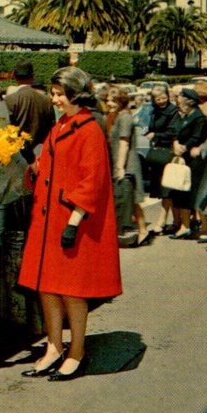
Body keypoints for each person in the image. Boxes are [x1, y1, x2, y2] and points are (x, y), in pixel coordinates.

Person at [17, 66, 121, 381]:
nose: (54, 99)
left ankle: (77, 351)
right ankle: (53, 347)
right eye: (53, 93)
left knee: (72, 291)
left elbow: (93, 181)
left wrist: (73, 223)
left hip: (69, 223)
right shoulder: (61, 125)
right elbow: (48, 167)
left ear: (76, 94)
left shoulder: (89, 129)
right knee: (46, 288)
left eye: (60, 94)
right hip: (47, 221)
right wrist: (30, 165)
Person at [106, 86, 151, 247]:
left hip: (127, 164)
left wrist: (119, 167)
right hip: (127, 164)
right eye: (107, 100)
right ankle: (143, 230)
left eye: (112, 100)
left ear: (120, 101)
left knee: (128, 199)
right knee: (134, 201)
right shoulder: (120, 116)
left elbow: (124, 143)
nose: (109, 103)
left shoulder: (124, 118)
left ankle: (140, 231)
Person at [167, 87, 207, 240]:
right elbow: (176, 133)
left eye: (181, 98)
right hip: (184, 159)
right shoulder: (184, 117)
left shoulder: (198, 117)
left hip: (195, 162)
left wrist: (183, 147)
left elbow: (197, 137)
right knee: (181, 192)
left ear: (188, 101)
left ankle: (205, 229)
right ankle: (185, 226)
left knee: (197, 193)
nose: (178, 101)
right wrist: (176, 142)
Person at [4, 60, 55, 165]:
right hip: (39, 155)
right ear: (32, 77)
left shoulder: (10, 100)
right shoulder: (46, 100)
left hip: (16, 158)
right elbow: (51, 129)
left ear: (14, 76)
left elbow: (7, 129)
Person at [145, 84, 180, 235]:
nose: (161, 101)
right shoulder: (155, 111)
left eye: (163, 98)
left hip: (168, 153)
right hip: (159, 153)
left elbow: (173, 132)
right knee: (165, 191)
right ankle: (176, 221)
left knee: (167, 190)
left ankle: (162, 221)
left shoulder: (172, 112)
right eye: (158, 99)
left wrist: (156, 135)